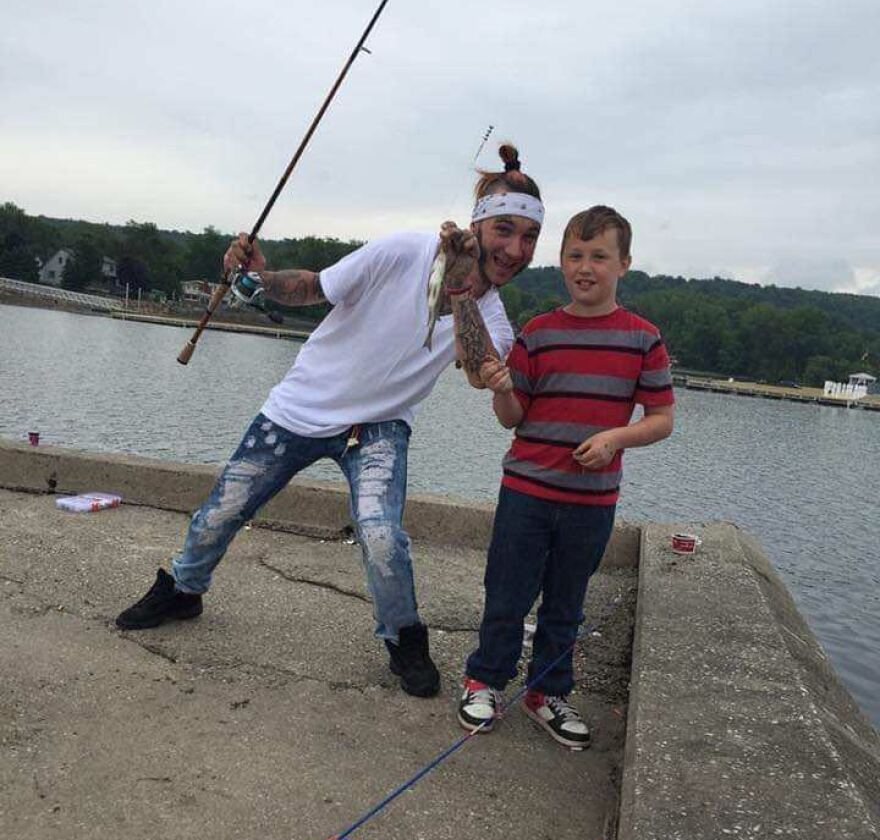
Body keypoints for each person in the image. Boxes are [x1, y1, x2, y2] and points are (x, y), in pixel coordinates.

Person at [115, 145, 545, 698]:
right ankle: (183, 588)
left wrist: (461, 289)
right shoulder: (403, 250)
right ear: (476, 225)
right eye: (504, 230)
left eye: (528, 238)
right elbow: (317, 287)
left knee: (383, 535)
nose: (515, 249)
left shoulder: (493, 319)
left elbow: (479, 372)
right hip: (300, 406)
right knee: (223, 507)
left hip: (380, 427)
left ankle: (404, 637)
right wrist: (253, 280)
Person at [458, 205, 675, 747]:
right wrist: (502, 387)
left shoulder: (643, 339)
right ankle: (484, 679)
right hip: (526, 491)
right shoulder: (538, 332)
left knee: (567, 601)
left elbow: (661, 419)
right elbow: (513, 417)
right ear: (561, 262)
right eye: (575, 255)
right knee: (506, 592)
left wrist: (615, 439)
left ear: (623, 263)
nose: (586, 267)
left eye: (599, 256)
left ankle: (546, 692)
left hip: (592, 502)